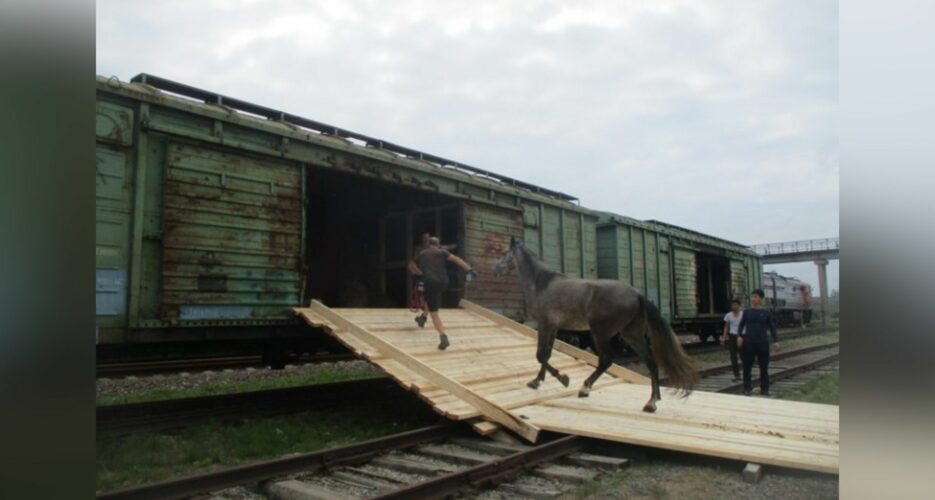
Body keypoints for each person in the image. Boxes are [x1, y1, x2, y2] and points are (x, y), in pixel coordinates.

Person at [407, 237, 477, 350]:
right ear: (438, 244)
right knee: (431, 298)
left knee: (434, 312)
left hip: (430, 283)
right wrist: (470, 270)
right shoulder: (442, 252)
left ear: (428, 244)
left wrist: (418, 274)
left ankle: (443, 336)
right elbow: (457, 260)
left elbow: (410, 265)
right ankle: (423, 318)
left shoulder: (422, 253)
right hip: (444, 283)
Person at [737, 289, 781, 396]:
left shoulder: (766, 313)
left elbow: (772, 328)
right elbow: (741, 325)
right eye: (752, 297)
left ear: (761, 299)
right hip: (749, 343)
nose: (754, 299)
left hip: (762, 343)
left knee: (764, 367)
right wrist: (739, 336)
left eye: (756, 297)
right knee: (747, 367)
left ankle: (764, 390)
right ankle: (747, 389)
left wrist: (775, 341)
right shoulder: (747, 312)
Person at [721, 299, 744, 382]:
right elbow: (726, 326)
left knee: (743, 355)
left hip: (742, 336)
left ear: (739, 305)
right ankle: (737, 375)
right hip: (732, 336)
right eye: (732, 305)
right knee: (733, 356)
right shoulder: (728, 315)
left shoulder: (743, 314)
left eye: (735, 305)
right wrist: (724, 337)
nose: (734, 307)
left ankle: (746, 373)